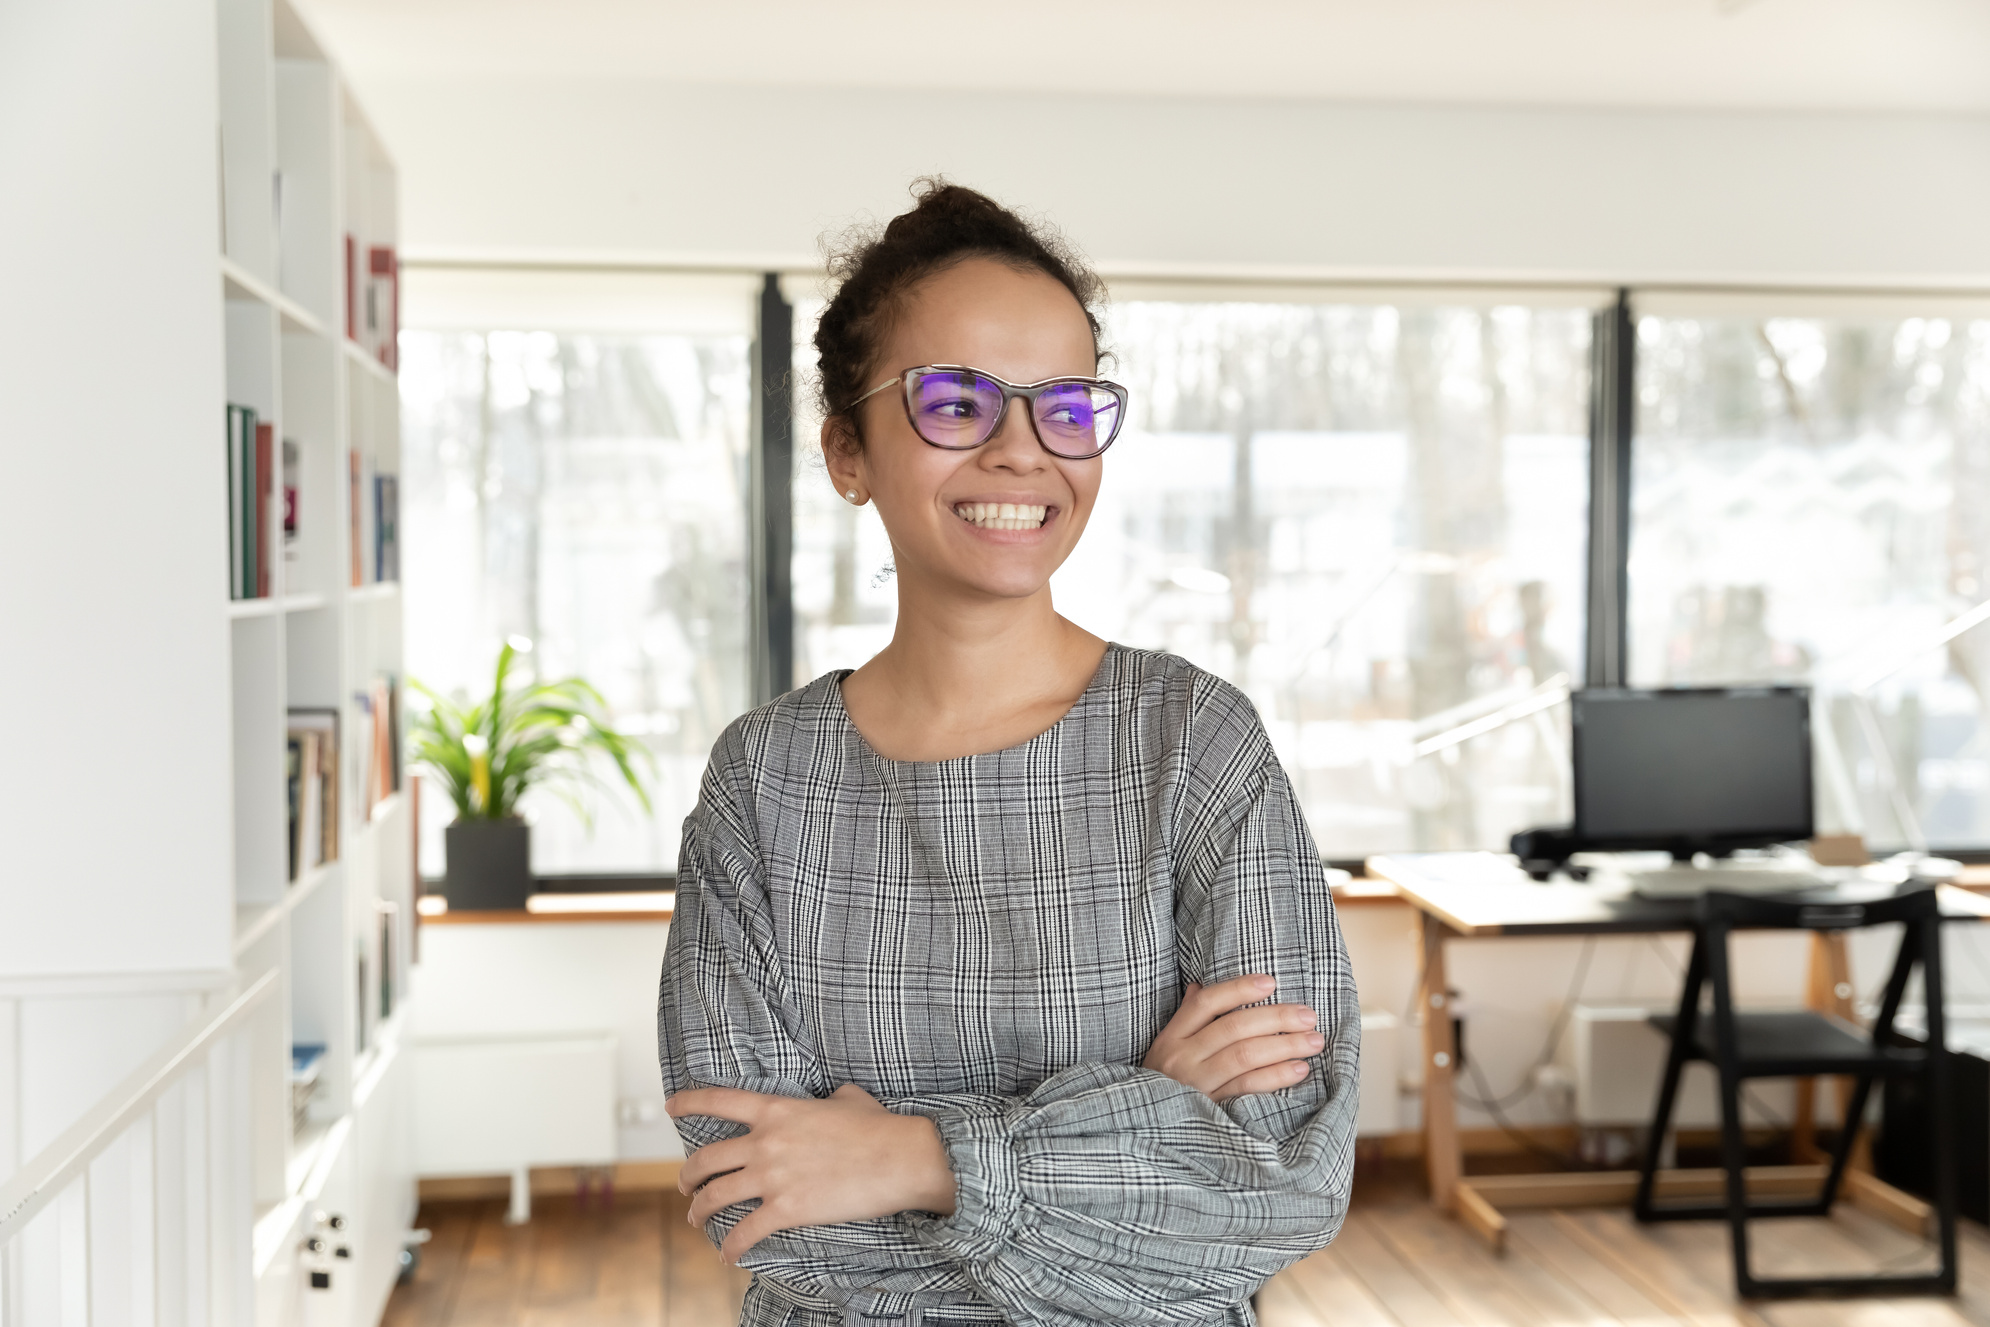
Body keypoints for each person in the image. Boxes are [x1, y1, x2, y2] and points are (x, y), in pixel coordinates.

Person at [658, 179, 1359, 1327]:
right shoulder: (761, 780)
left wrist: (917, 1158)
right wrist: (1137, 1115)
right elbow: (767, 1210)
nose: (1023, 452)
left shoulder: (1194, 744)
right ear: (848, 451)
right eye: (954, 402)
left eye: (1065, 408)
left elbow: (1275, 1193)